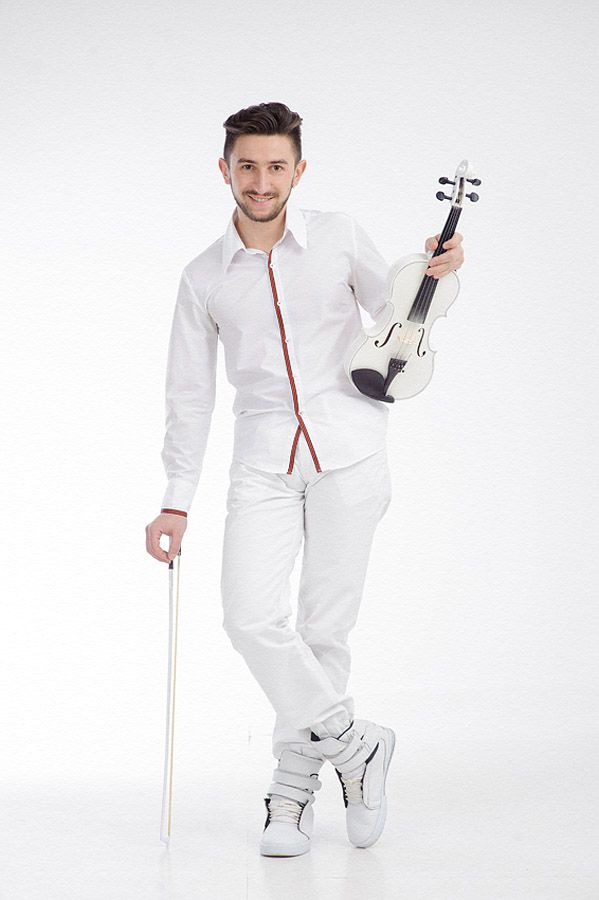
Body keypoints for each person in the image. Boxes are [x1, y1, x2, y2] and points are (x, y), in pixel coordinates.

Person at [145, 101, 464, 857]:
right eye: (247, 166)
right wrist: (175, 501)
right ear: (225, 169)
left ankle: (292, 790)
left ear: (299, 170)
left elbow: (399, 316)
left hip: (350, 451)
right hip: (262, 461)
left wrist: (433, 271)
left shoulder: (338, 234)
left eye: (276, 166)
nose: (261, 181)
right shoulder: (202, 277)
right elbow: (189, 395)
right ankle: (357, 745)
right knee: (250, 619)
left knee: (323, 630)